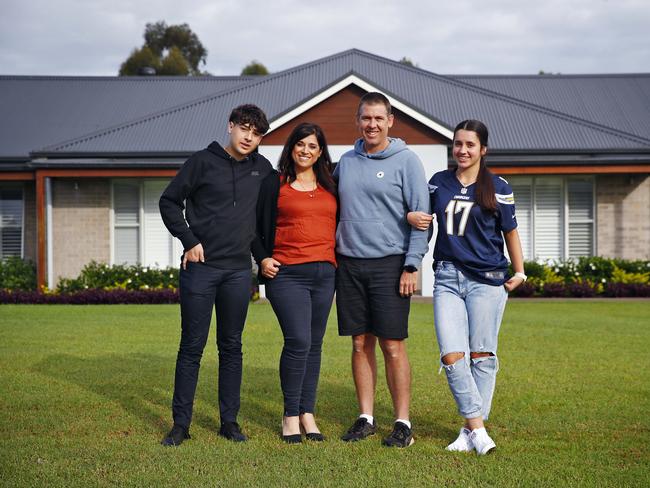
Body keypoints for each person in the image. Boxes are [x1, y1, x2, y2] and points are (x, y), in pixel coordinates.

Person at [408, 119, 525, 455]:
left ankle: (467, 430)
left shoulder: (498, 186)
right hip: (446, 277)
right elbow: (423, 222)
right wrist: (410, 222)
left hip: (488, 281)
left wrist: (520, 271)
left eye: (470, 145)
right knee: (451, 354)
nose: (462, 150)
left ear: (482, 150)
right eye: (458, 144)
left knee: (482, 356)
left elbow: (510, 232)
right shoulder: (438, 183)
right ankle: (477, 427)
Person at [158, 104, 273, 446]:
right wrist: (189, 240)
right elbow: (169, 202)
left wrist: (263, 258)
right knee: (192, 347)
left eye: (256, 133)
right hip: (201, 270)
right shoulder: (201, 162)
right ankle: (181, 425)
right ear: (231, 126)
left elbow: (262, 221)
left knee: (232, 347)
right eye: (244, 128)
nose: (249, 136)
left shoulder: (263, 170)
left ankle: (229, 422)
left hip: (238, 272)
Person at [335, 92, 429, 448]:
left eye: (378, 118)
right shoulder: (346, 161)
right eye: (365, 118)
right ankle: (366, 417)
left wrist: (411, 264)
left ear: (390, 121)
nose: (371, 125)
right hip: (350, 263)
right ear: (357, 121)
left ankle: (402, 422)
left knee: (392, 344)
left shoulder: (407, 161)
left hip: (390, 264)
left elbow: (422, 219)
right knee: (360, 342)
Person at [252, 123, 337, 444]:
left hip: (325, 273)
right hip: (287, 275)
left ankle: (307, 413)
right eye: (300, 144)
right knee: (298, 340)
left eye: (313, 146)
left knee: (314, 344)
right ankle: (290, 415)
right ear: (291, 148)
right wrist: (261, 258)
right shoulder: (274, 184)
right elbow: (253, 225)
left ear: (320, 152)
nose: (306, 151)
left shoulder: (331, 184)